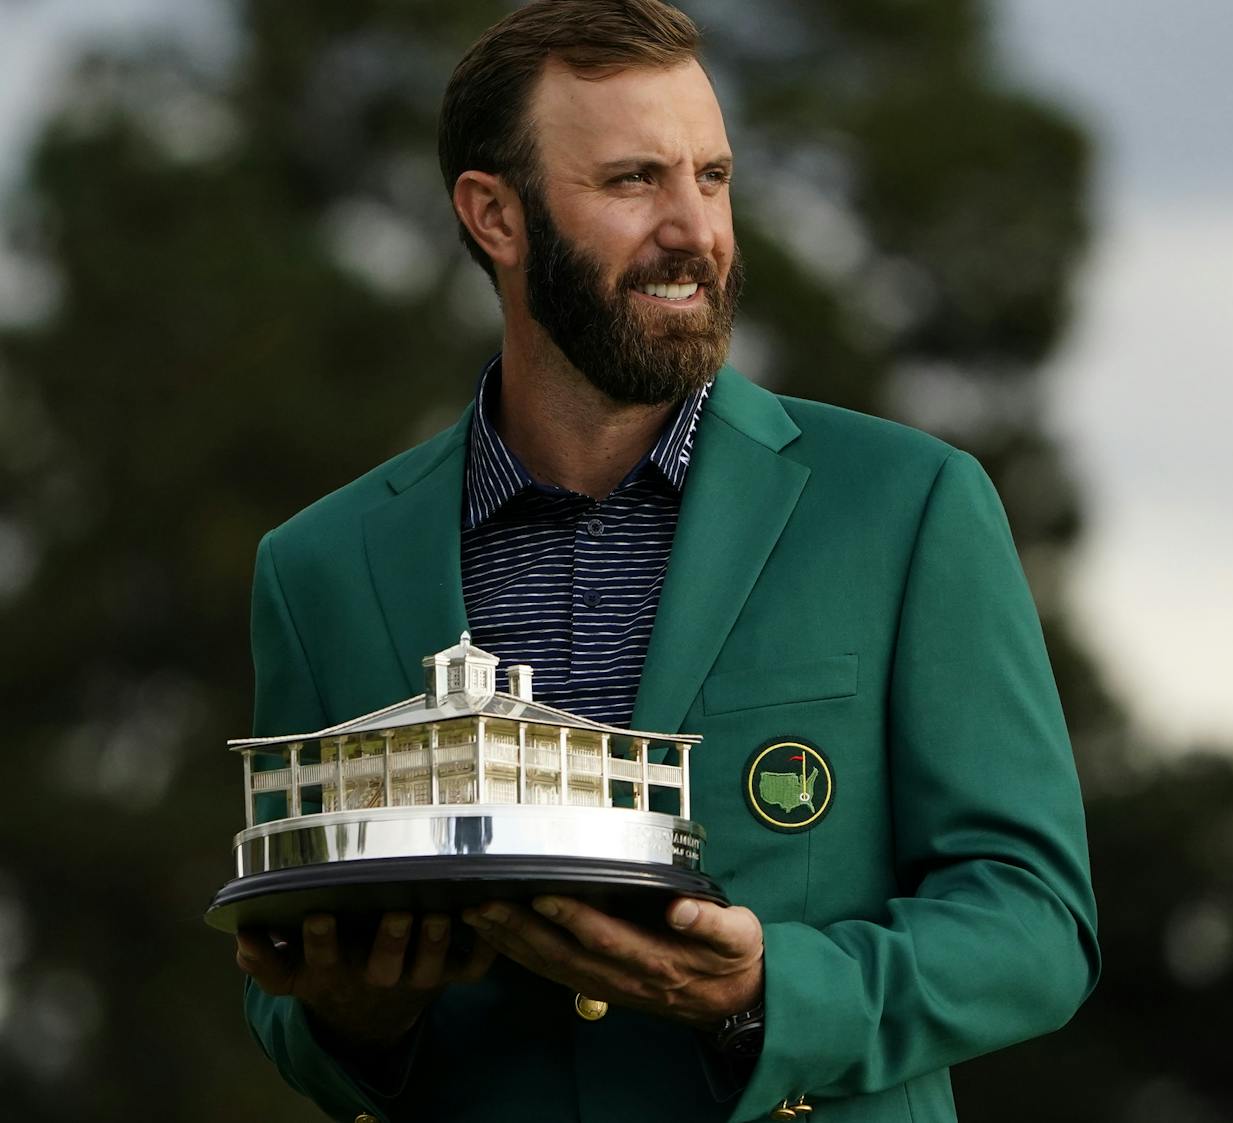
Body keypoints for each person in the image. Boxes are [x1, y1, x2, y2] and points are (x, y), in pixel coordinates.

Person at [232, 2, 1100, 1120]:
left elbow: (1034, 926)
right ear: (495, 216)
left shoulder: (908, 504)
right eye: (635, 180)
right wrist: (351, 1017)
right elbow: (279, 985)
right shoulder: (317, 567)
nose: (696, 227)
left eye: (713, 175)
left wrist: (765, 993)